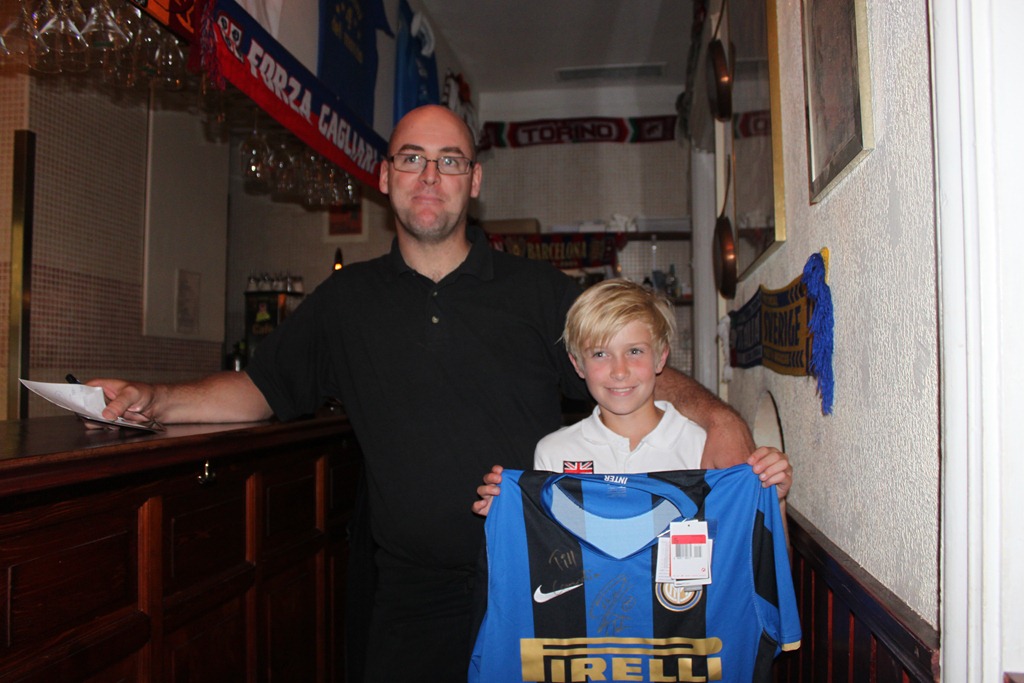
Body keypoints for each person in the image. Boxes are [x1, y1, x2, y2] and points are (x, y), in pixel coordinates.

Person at [88, 104, 763, 682]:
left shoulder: (538, 294)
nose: (430, 176)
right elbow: (260, 389)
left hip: (540, 580)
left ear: (475, 180)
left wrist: (719, 419)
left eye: (449, 161)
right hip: (410, 591)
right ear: (385, 177)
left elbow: (631, 364)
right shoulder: (345, 302)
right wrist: (156, 398)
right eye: (412, 159)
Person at [472, 278, 792, 518]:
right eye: (600, 354)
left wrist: (772, 500)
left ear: (661, 358)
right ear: (577, 365)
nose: (619, 371)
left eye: (635, 351)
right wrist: (510, 518)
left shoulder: (702, 447)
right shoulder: (554, 452)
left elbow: (747, 554)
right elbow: (547, 553)